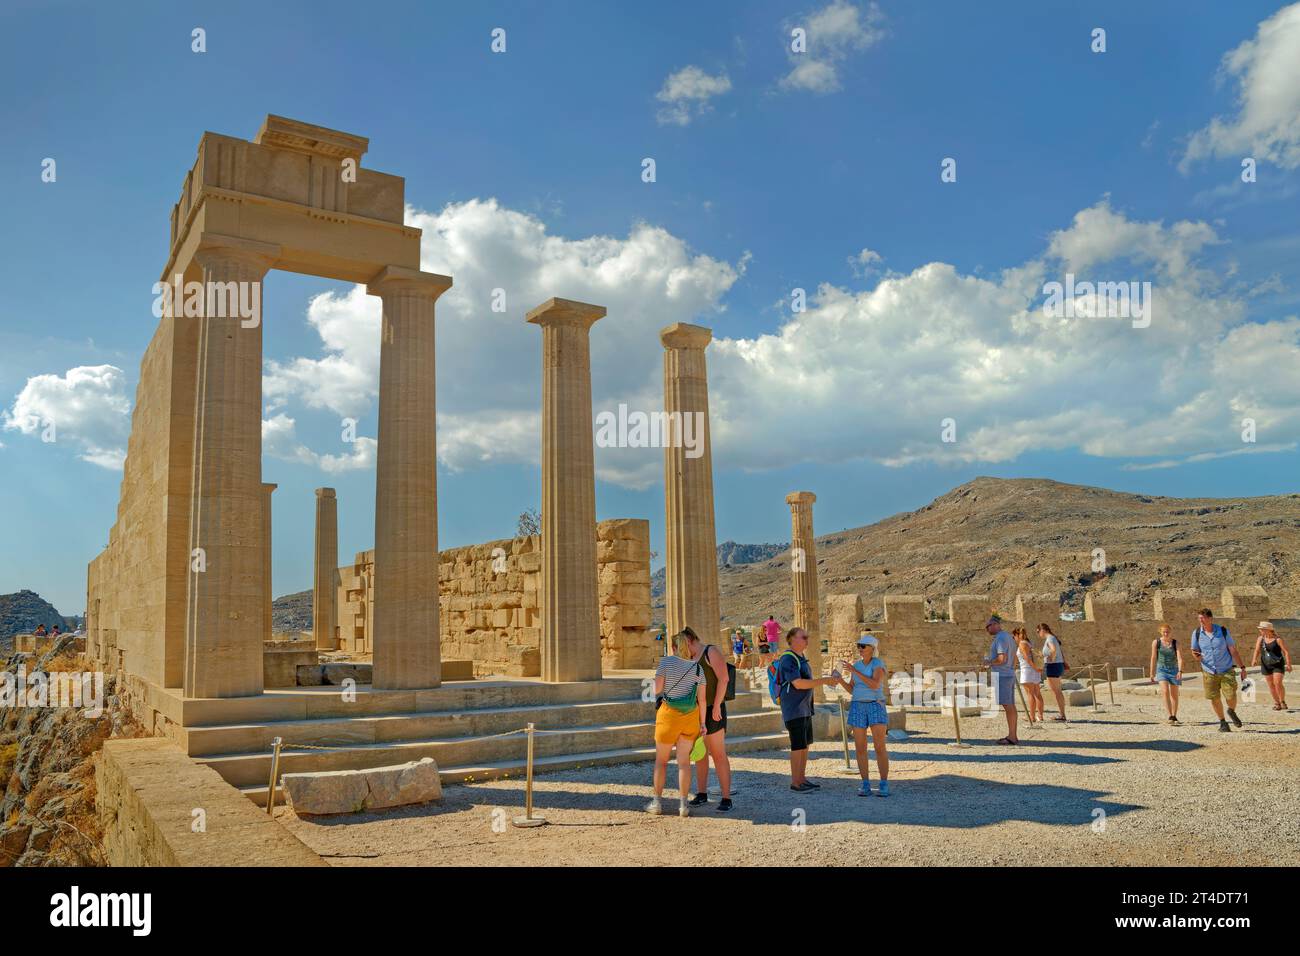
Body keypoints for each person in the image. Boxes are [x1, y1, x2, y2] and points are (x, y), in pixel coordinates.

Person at [648, 629, 707, 817]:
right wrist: (703, 723)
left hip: (668, 716)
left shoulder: (666, 662)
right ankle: (683, 805)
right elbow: (702, 700)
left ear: (673, 647)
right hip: (690, 718)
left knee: (661, 762)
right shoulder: (698, 668)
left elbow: (656, 689)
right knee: (684, 763)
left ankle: (657, 803)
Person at [776, 627, 841, 792]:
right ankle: (795, 782)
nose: (807, 639)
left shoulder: (801, 657)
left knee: (804, 745)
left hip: (804, 708)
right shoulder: (787, 659)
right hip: (794, 709)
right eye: (803, 637)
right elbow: (798, 683)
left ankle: (802, 778)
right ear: (792, 640)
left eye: (807, 636)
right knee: (797, 746)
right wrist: (825, 680)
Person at [681, 626, 734, 813]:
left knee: (718, 754)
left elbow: (724, 679)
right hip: (695, 712)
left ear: (689, 640)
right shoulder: (688, 658)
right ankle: (702, 793)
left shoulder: (710, 652)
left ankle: (726, 797)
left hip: (713, 710)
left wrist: (718, 705)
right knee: (699, 754)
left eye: (682, 645)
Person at [833, 634, 891, 797]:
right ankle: (865, 783)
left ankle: (884, 783)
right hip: (857, 705)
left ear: (872, 648)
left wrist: (854, 671)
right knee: (860, 747)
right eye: (859, 645)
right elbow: (852, 689)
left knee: (879, 746)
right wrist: (840, 681)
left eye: (863, 646)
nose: (860, 649)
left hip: (875, 705)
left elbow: (875, 684)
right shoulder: (856, 665)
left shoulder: (877, 663)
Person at [1190, 608, 1248, 732]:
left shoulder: (1222, 631)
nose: (1201, 621)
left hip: (1226, 669)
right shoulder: (1196, 633)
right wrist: (1196, 655)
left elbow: (1233, 650)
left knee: (1231, 694)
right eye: (1199, 618)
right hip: (1208, 671)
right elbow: (1194, 651)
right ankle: (1223, 722)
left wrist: (1242, 667)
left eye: (1203, 618)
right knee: (1214, 698)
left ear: (1210, 618)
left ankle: (1231, 711)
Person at [983, 615, 1019, 744]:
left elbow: (1001, 658)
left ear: (994, 624)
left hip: (1002, 675)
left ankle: (1012, 737)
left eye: (988, 627)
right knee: (1010, 706)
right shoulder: (1009, 637)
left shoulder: (1000, 638)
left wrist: (989, 663)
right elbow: (1014, 658)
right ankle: (1012, 735)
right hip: (1008, 673)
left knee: (1008, 706)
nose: (987, 630)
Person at [1251, 621, 1291, 711]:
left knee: (1277, 683)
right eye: (1260, 629)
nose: (1260, 631)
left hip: (1278, 664)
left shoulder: (1278, 639)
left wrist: (1288, 664)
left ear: (1268, 630)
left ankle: (1282, 701)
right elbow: (1257, 650)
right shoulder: (1260, 639)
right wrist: (1254, 659)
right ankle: (1277, 703)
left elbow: (1286, 652)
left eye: (1262, 629)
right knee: (1271, 685)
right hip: (1266, 664)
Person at [1148, 624, 1184, 724]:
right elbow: (1153, 657)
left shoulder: (1176, 643)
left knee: (1174, 694)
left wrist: (1180, 671)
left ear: (1170, 631)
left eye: (1167, 631)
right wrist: (1151, 673)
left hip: (1174, 670)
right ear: (1160, 632)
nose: (1165, 633)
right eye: (1164, 632)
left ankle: (1174, 715)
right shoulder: (1156, 642)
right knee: (1165, 691)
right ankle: (1170, 716)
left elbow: (1180, 658)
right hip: (1161, 670)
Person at [1038, 623, 1069, 721]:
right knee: (1057, 691)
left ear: (1042, 630)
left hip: (1053, 665)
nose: (1038, 634)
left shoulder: (1050, 638)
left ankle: (1062, 715)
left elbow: (1053, 650)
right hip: (1057, 665)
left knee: (1057, 691)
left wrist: (1051, 657)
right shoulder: (1053, 638)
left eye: (1038, 631)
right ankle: (1062, 714)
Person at [1014, 627, 1044, 723]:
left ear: (1017, 635)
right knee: (1037, 693)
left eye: (1013, 636)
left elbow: (1027, 658)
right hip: (1034, 670)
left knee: (1030, 694)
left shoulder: (1022, 644)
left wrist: (1035, 668)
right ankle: (1040, 715)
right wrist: (1036, 668)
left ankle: (1031, 717)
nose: (1013, 638)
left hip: (1027, 670)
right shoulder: (1029, 643)